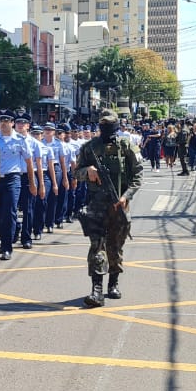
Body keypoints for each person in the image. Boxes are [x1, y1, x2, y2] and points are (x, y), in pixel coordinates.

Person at [72, 111, 142, 308]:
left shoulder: (127, 146)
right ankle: (96, 290)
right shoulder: (89, 148)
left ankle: (113, 283)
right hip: (96, 204)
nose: (106, 131)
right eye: (103, 127)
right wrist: (88, 172)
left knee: (115, 246)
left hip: (119, 205)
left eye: (110, 127)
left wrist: (126, 196)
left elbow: (138, 175)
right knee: (97, 246)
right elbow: (76, 172)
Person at [0, 110, 35, 262]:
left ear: (12, 123)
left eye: (7, 120)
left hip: (13, 179)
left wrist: (32, 183)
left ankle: (6, 247)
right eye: (1, 120)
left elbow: (29, 163)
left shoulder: (20, 140)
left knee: (9, 213)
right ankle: (14, 229)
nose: (4, 123)